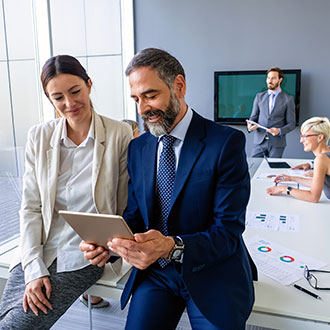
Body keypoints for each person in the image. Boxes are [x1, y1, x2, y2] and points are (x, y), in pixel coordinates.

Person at [81, 48, 256, 330]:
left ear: (179, 86)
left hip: (211, 270)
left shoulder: (225, 144)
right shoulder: (138, 148)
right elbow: (136, 218)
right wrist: (110, 246)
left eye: (150, 96)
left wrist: (172, 246)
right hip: (158, 274)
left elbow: (228, 232)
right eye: (136, 99)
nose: (142, 109)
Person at [0, 55, 132, 329]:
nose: (69, 104)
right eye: (58, 98)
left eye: (75, 92)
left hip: (83, 254)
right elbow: (31, 207)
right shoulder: (39, 136)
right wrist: (33, 268)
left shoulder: (120, 134)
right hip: (38, 247)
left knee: (17, 326)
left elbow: (123, 205)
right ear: (50, 100)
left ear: (89, 85)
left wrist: (110, 248)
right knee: (7, 319)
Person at [266, 117, 330, 202]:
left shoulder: (321, 159)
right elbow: (317, 183)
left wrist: (284, 188)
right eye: (301, 136)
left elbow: (313, 197)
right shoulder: (327, 152)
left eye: (305, 136)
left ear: (320, 137)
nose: (301, 140)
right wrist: (292, 178)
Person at [247, 67, 296, 158]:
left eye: (273, 78)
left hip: (277, 143)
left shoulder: (288, 99)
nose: (270, 81)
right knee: (253, 168)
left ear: (280, 80)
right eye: (268, 78)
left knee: (273, 170)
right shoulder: (259, 97)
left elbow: (292, 123)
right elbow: (253, 117)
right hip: (259, 142)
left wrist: (279, 131)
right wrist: (250, 126)